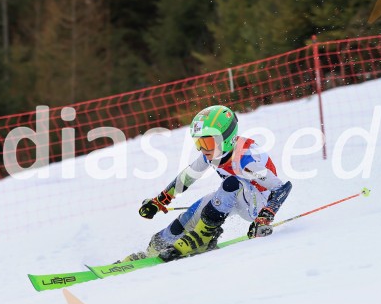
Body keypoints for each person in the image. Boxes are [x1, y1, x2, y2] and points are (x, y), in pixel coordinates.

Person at [123, 105, 292, 262]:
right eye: (200, 143)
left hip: (257, 204)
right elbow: (187, 177)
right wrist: (160, 201)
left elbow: (282, 188)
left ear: (226, 138)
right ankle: (153, 250)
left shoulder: (246, 160)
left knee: (233, 182)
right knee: (194, 212)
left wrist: (265, 217)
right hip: (232, 196)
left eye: (208, 143)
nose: (204, 149)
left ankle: (203, 238)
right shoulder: (213, 153)